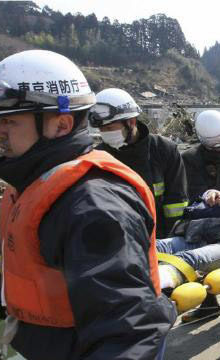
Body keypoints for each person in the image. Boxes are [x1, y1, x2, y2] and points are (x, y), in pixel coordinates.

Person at [0, 49, 175, 360]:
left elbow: (129, 333)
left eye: (9, 123)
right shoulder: (33, 183)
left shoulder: (93, 205)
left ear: (60, 125)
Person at [89, 88, 188, 238]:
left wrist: (172, 241)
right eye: (101, 129)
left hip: (162, 240)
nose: (105, 134)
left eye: (109, 128)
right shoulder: (98, 158)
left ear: (131, 122)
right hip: (119, 243)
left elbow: (177, 203)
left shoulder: (164, 150)